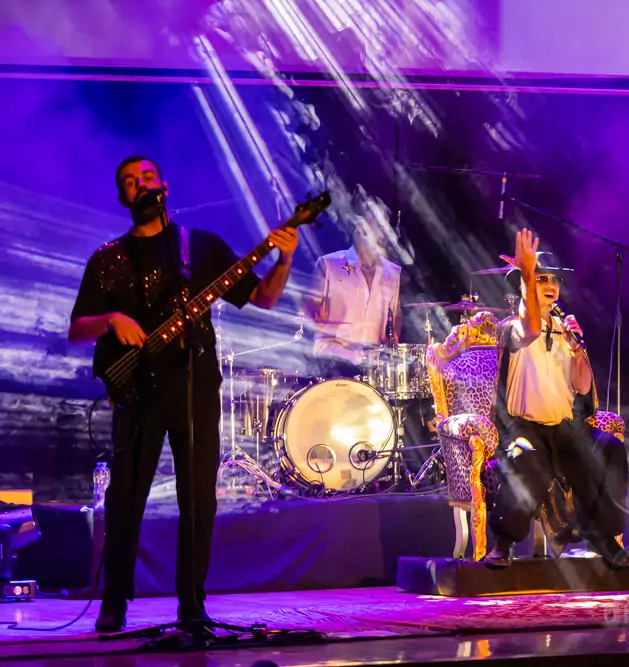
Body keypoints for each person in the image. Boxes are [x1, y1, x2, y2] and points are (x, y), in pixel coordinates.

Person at [68, 156, 298, 633]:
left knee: (197, 499)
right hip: (135, 391)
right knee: (126, 497)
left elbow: (263, 297)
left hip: (194, 386)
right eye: (129, 182)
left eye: (147, 178)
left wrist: (285, 258)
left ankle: (192, 604)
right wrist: (111, 319)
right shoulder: (108, 258)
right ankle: (114, 600)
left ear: (164, 187)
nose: (140, 186)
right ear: (122, 197)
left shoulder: (200, 247)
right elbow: (77, 330)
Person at [486, 229, 629, 568]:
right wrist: (526, 273)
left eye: (554, 280)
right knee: (525, 459)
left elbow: (582, 387)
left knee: (610, 449)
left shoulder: (565, 327)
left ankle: (604, 538)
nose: (551, 285)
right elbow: (532, 328)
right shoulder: (513, 327)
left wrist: (577, 349)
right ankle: (504, 542)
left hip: (565, 429)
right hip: (526, 427)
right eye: (542, 279)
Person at [309, 198, 402, 377]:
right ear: (359, 228)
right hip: (333, 364)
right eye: (377, 222)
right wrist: (314, 314)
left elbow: (395, 316)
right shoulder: (329, 265)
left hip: (373, 368)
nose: (384, 230)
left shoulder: (393, 273)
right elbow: (311, 309)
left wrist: (394, 334)